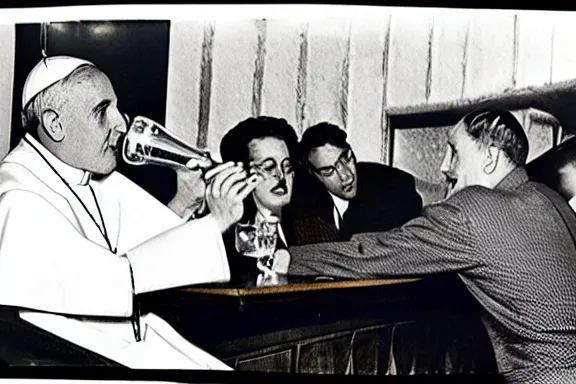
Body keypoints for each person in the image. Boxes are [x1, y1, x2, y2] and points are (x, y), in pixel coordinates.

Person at [274, 109, 576, 383]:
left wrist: (289, 259)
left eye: (454, 153)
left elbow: (375, 254)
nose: (444, 167)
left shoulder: (471, 209)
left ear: (490, 158)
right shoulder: (549, 198)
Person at [0, 55, 264, 369]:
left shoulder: (80, 172)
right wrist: (215, 221)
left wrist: (186, 203)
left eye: (116, 107)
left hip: (118, 342)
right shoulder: (16, 197)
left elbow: (131, 253)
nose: (121, 123)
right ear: (55, 124)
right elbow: (113, 279)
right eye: (102, 111)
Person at [219, 116, 337, 285]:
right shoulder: (226, 239)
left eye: (287, 167)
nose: (281, 177)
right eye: (268, 167)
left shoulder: (318, 231)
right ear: (242, 176)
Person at [298, 122, 423, 242]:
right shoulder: (305, 204)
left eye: (346, 158)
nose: (346, 176)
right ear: (314, 174)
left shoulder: (394, 188)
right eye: (329, 171)